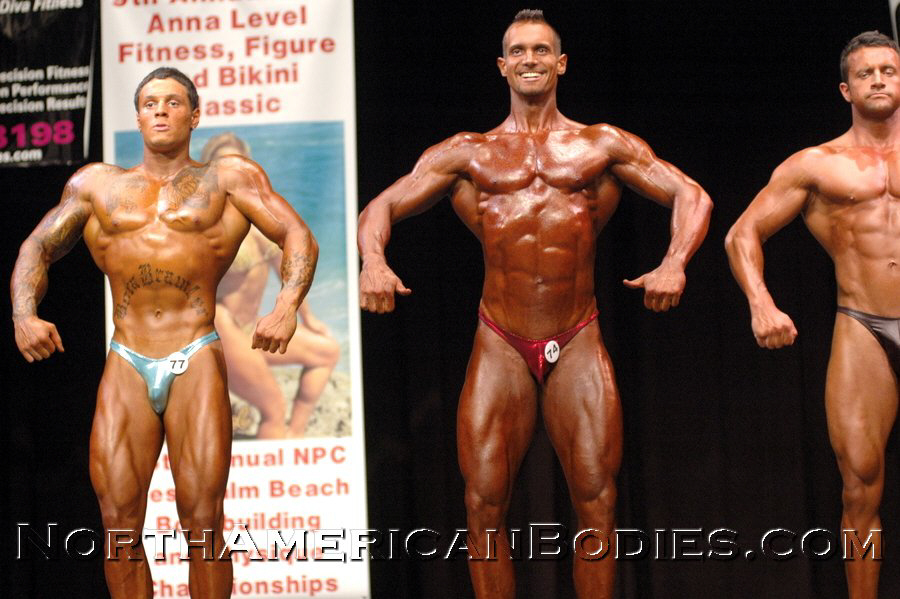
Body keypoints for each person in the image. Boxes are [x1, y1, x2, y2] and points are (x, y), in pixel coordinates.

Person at [358, 10, 712, 597]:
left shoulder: (600, 144)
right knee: (482, 502)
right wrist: (374, 262)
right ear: (502, 66)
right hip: (501, 338)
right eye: (519, 51)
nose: (530, 59)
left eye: (541, 50)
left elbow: (690, 195)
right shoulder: (469, 152)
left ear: (561, 63)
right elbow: (382, 206)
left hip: (577, 335)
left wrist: (674, 261)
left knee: (597, 499)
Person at [10, 67, 318, 598]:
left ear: (194, 116)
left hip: (194, 352)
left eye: (173, 102)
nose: (160, 110)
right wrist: (23, 313)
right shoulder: (95, 185)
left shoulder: (229, 178)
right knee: (117, 522)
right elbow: (37, 246)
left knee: (202, 520)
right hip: (127, 357)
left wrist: (287, 304)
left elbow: (296, 233)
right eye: (150, 102)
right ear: (137, 117)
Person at [725, 30, 900, 599]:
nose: (879, 80)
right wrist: (761, 303)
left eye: (889, 70)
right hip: (864, 327)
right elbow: (742, 234)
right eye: (866, 73)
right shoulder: (817, 165)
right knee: (859, 486)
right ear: (846, 89)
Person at [201, 133, 340, 439]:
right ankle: (272, 452)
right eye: (223, 163)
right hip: (222, 326)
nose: (232, 170)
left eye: (239, 162)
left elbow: (287, 271)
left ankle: (295, 435)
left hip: (250, 327)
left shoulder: (261, 218)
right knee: (274, 407)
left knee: (327, 352)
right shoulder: (203, 223)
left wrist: (307, 318)